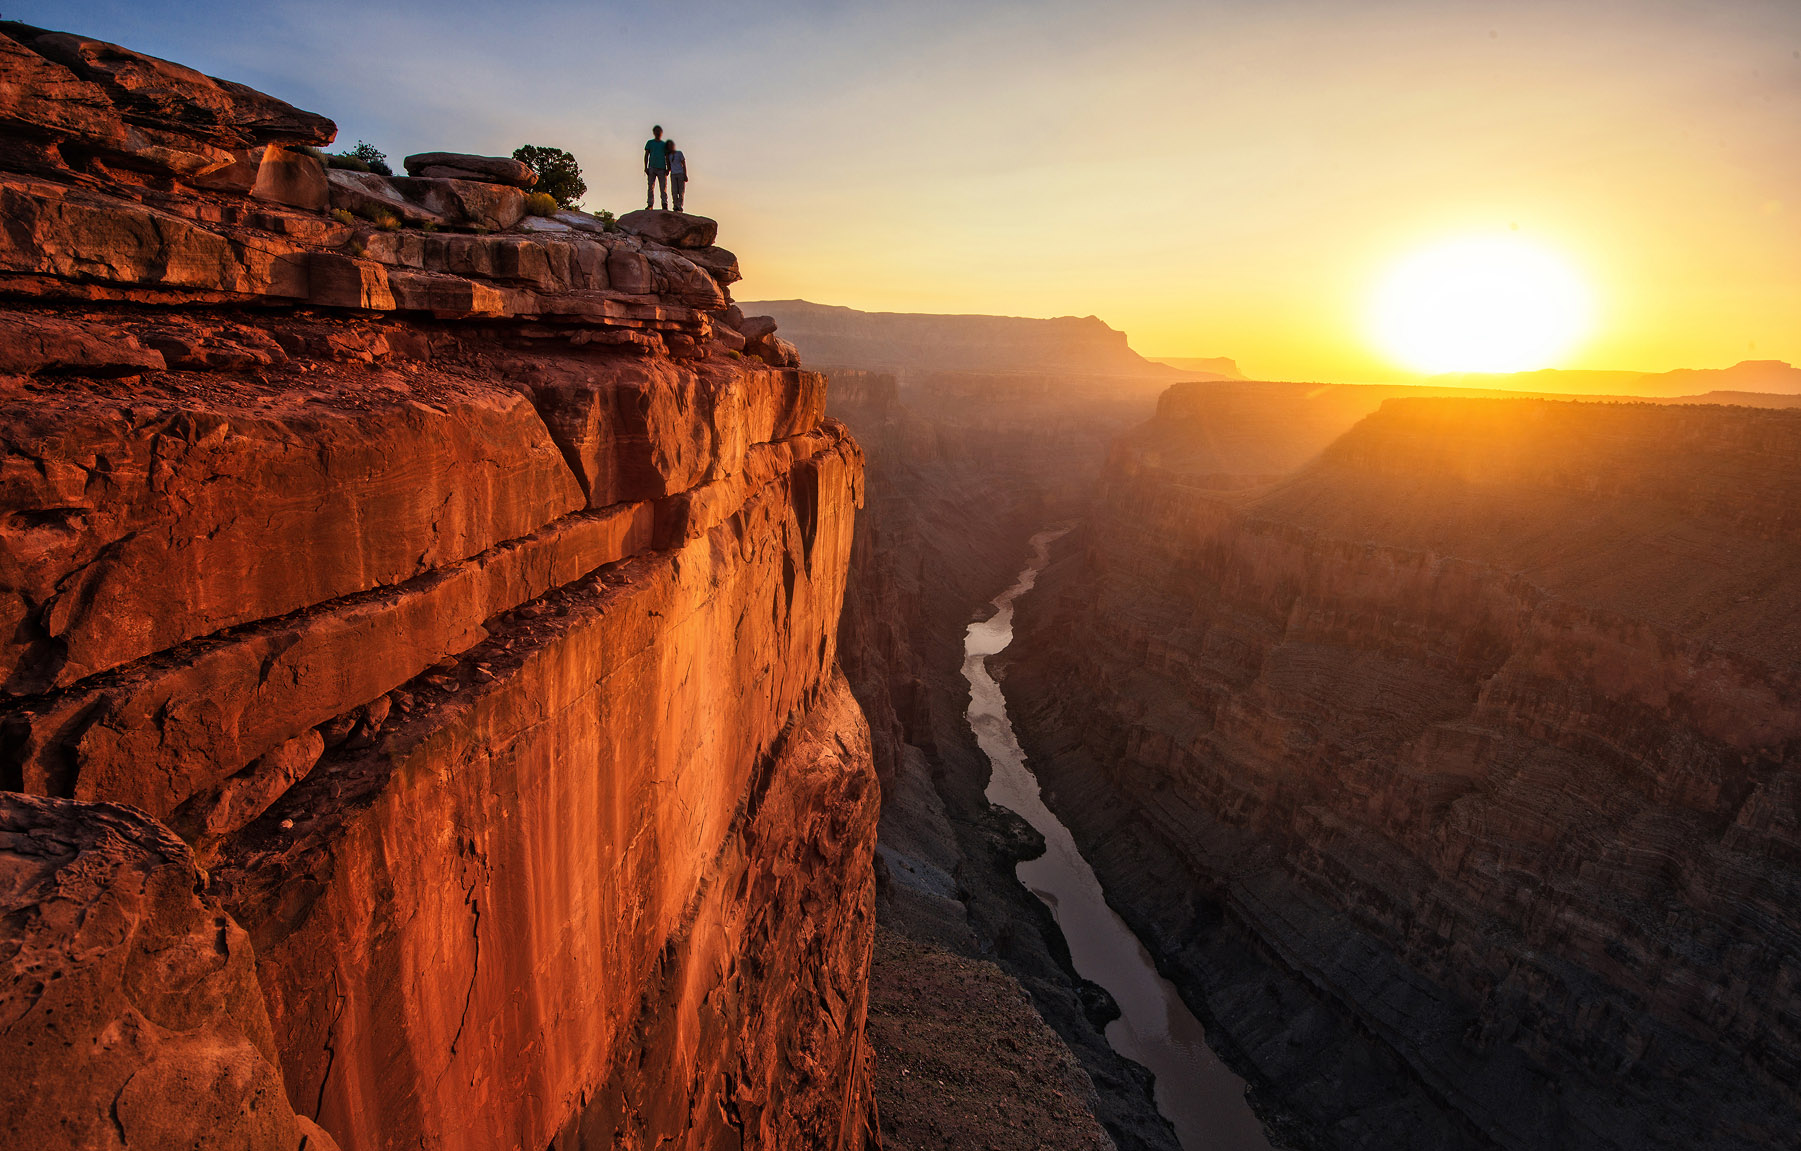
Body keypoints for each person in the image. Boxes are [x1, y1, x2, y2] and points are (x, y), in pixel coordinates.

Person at [644, 125, 670, 210]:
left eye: (659, 131)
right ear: (654, 133)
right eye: (656, 131)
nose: (658, 133)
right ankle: (650, 204)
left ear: (661, 133)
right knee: (650, 186)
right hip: (652, 166)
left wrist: (668, 168)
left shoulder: (664, 144)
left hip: (662, 167)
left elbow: (667, 156)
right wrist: (645, 167)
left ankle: (664, 203)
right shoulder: (650, 143)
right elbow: (646, 155)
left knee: (663, 187)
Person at [667, 139, 688, 212]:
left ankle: (679, 206)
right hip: (673, 174)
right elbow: (669, 166)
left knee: (681, 191)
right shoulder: (669, 156)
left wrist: (685, 174)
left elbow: (683, 164)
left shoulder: (679, 153)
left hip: (680, 173)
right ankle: (675, 205)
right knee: (674, 191)